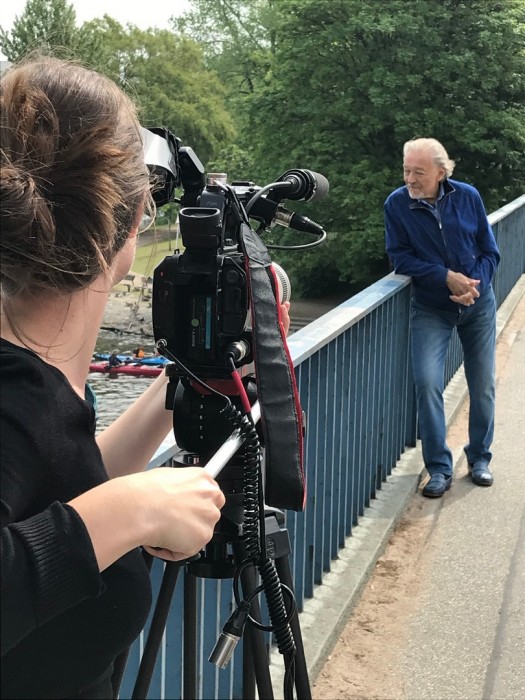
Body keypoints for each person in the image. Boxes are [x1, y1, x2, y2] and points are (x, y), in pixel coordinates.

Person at [0, 56, 229, 700]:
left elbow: (53, 478)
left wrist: (177, 386)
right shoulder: (12, 393)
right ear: (132, 227)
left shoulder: (34, 378)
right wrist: (128, 512)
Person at [384, 138, 500, 498]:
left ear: (441, 172)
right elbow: (401, 258)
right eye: (406, 170)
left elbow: (489, 251)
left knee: (482, 386)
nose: (410, 179)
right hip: (432, 307)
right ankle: (438, 468)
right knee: (428, 383)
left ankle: (479, 458)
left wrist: (472, 287)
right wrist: (444, 276)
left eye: (419, 172)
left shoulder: (468, 196)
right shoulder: (397, 204)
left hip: (477, 305)